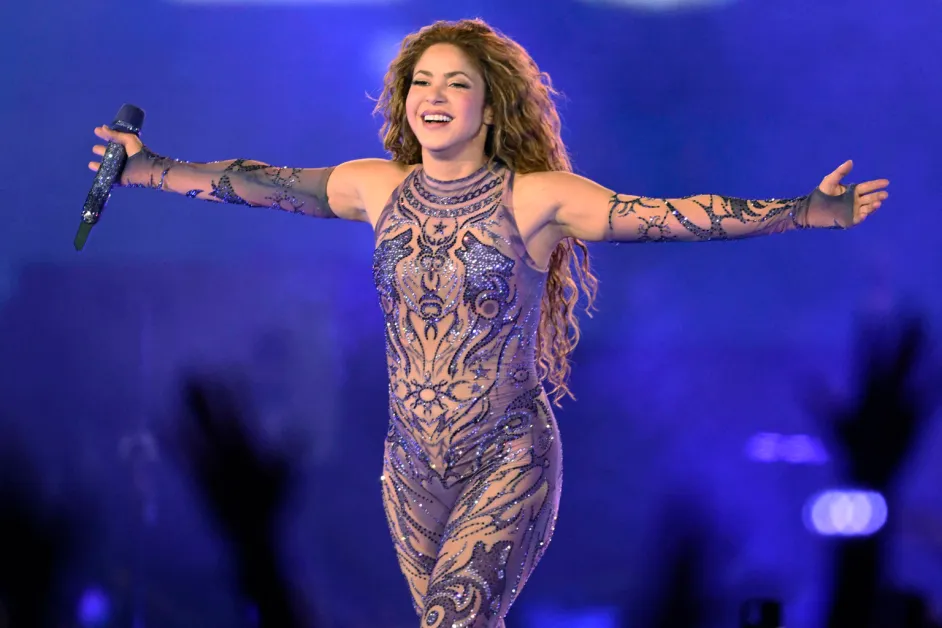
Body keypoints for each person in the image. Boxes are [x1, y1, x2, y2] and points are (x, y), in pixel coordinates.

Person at [88, 18, 889, 627]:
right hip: (409, 465)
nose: (434, 97)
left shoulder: (537, 198)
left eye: (456, 83)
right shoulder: (375, 186)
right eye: (421, 82)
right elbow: (258, 183)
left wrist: (805, 211)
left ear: (491, 104)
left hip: (506, 456)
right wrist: (148, 168)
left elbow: (670, 215)